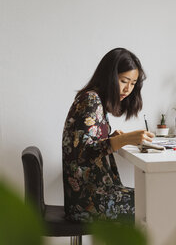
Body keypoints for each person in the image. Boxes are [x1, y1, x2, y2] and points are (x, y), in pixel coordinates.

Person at [62, 48, 154, 223]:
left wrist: (112, 137)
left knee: (151, 198)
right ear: (109, 77)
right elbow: (83, 153)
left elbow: (85, 142)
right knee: (153, 202)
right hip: (88, 201)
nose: (128, 89)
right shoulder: (91, 100)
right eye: (123, 81)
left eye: (133, 83)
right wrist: (123, 140)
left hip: (90, 196)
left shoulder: (96, 100)